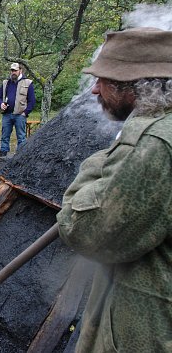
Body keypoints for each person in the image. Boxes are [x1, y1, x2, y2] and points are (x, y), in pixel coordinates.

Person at [56, 27, 172, 352]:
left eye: (103, 79)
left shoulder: (154, 143)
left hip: (148, 333)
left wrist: (100, 161)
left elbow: (85, 230)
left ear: (133, 85)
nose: (94, 89)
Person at [0, 62, 36, 157]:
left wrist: (25, 113)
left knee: (21, 138)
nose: (13, 72)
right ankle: (3, 156)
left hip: (20, 115)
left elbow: (32, 101)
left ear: (20, 70)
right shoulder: (5, 83)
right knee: (4, 137)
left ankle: (20, 157)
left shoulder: (28, 83)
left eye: (15, 70)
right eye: (12, 70)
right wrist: (0, 104)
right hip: (6, 115)